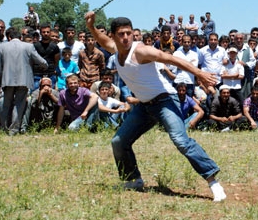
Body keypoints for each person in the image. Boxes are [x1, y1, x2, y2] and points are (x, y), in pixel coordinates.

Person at [84, 11, 226, 201]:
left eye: (128, 33)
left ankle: (213, 183)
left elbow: (171, 59)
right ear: (114, 36)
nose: (126, 37)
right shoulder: (114, 49)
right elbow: (102, 41)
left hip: (165, 100)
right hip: (144, 106)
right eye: (121, 34)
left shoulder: (141, 51)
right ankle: (133, 179)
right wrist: (91, 26)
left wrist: (199, 73)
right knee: (119, 142)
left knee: (181, 141)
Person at [0, 28, 48, 135]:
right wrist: (45, 65)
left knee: (6, 104)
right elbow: (40, 61)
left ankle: (3, 128)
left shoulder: (1, 47)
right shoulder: (28, 46)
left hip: (7, 80)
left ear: (9, 37)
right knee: (19, 105)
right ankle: (14, 130)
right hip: (23, 79)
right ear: (21, 37)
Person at [33, 23, 60, 90]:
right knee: (34, 95)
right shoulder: (35, 46)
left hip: (50, 74)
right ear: (40, 33)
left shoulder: (55, 47)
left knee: (52, 94)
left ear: (50, 32)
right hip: (37, 74)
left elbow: (56, 60)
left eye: (48, 32)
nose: (46, 33)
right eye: (44, 32)